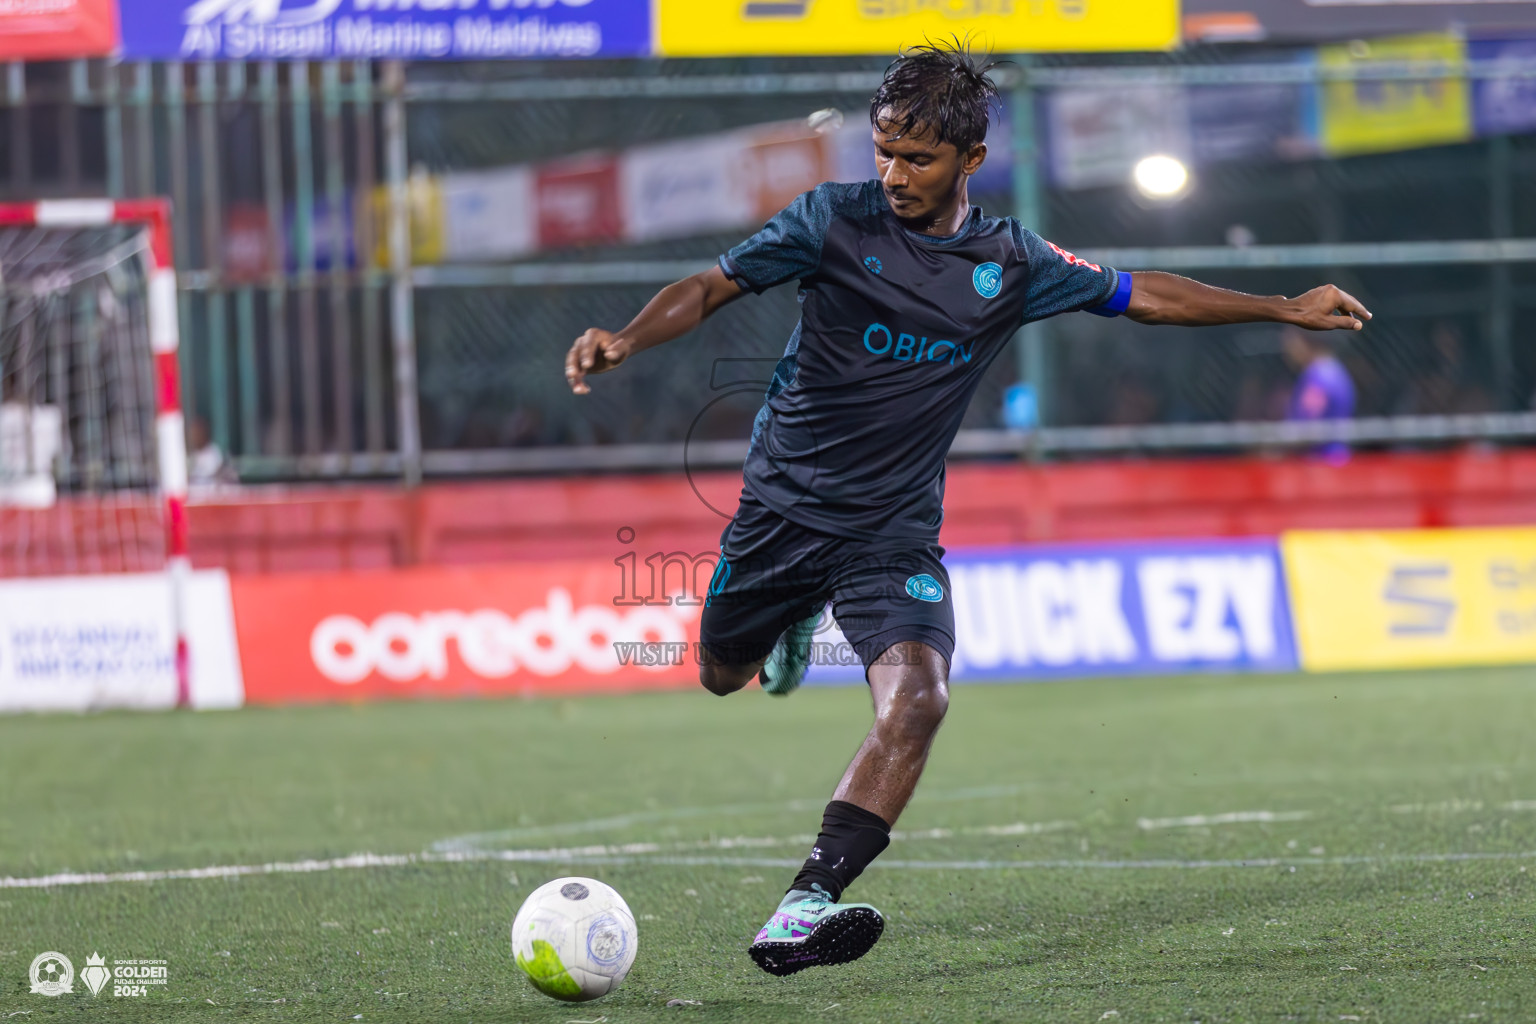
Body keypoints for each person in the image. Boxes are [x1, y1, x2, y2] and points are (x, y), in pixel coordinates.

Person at [564, 41, 1372, 977]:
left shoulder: (1011, 260)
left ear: (970, 161)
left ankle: (803, 904)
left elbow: (1141, 294)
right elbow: (710, 285)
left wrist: (1281, 307)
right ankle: (780, 635)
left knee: (920, 699)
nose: (895, 174)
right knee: (716, 672)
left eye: (918, 158)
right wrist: (623, 342)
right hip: (782, 514)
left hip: (891, 532)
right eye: (884, 152)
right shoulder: (832, 220)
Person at [1281, 326, 1356, 463]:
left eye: (1291, 340)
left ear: (1305, 340)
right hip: (1333, 463)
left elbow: (1307, 428)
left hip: (1322, 467)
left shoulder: (1318, 376)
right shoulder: (1333, 369)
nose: (1287, 347)